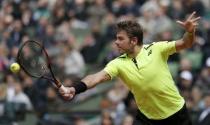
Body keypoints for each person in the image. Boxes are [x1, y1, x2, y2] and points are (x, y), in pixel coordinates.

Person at [58, 11, 200, 125]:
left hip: (176, 113)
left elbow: (185, 43)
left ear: (133, 41)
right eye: (116, 38)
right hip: (147, 118)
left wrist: (190, 32)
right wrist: (75, 89)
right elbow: (96, 78)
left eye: (120, 39)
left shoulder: (156, 48)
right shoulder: (118, 63)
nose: (116, 42)